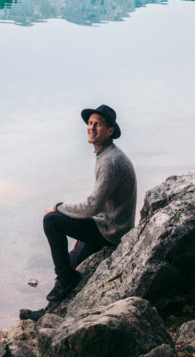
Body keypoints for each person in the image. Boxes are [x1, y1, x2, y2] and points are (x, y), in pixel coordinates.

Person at [42, 104, 137, 303]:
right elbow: (101, 203)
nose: (91, 128)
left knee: (51, 220)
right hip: (107, 223)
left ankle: (66, 277)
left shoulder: (111, 161)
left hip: (111, 231)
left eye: (98, 124)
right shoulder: (106, 154)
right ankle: (47, 312)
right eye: (90, 123)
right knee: (71, 262)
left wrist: (59, 208)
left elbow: (92, 205)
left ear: (110, 131)